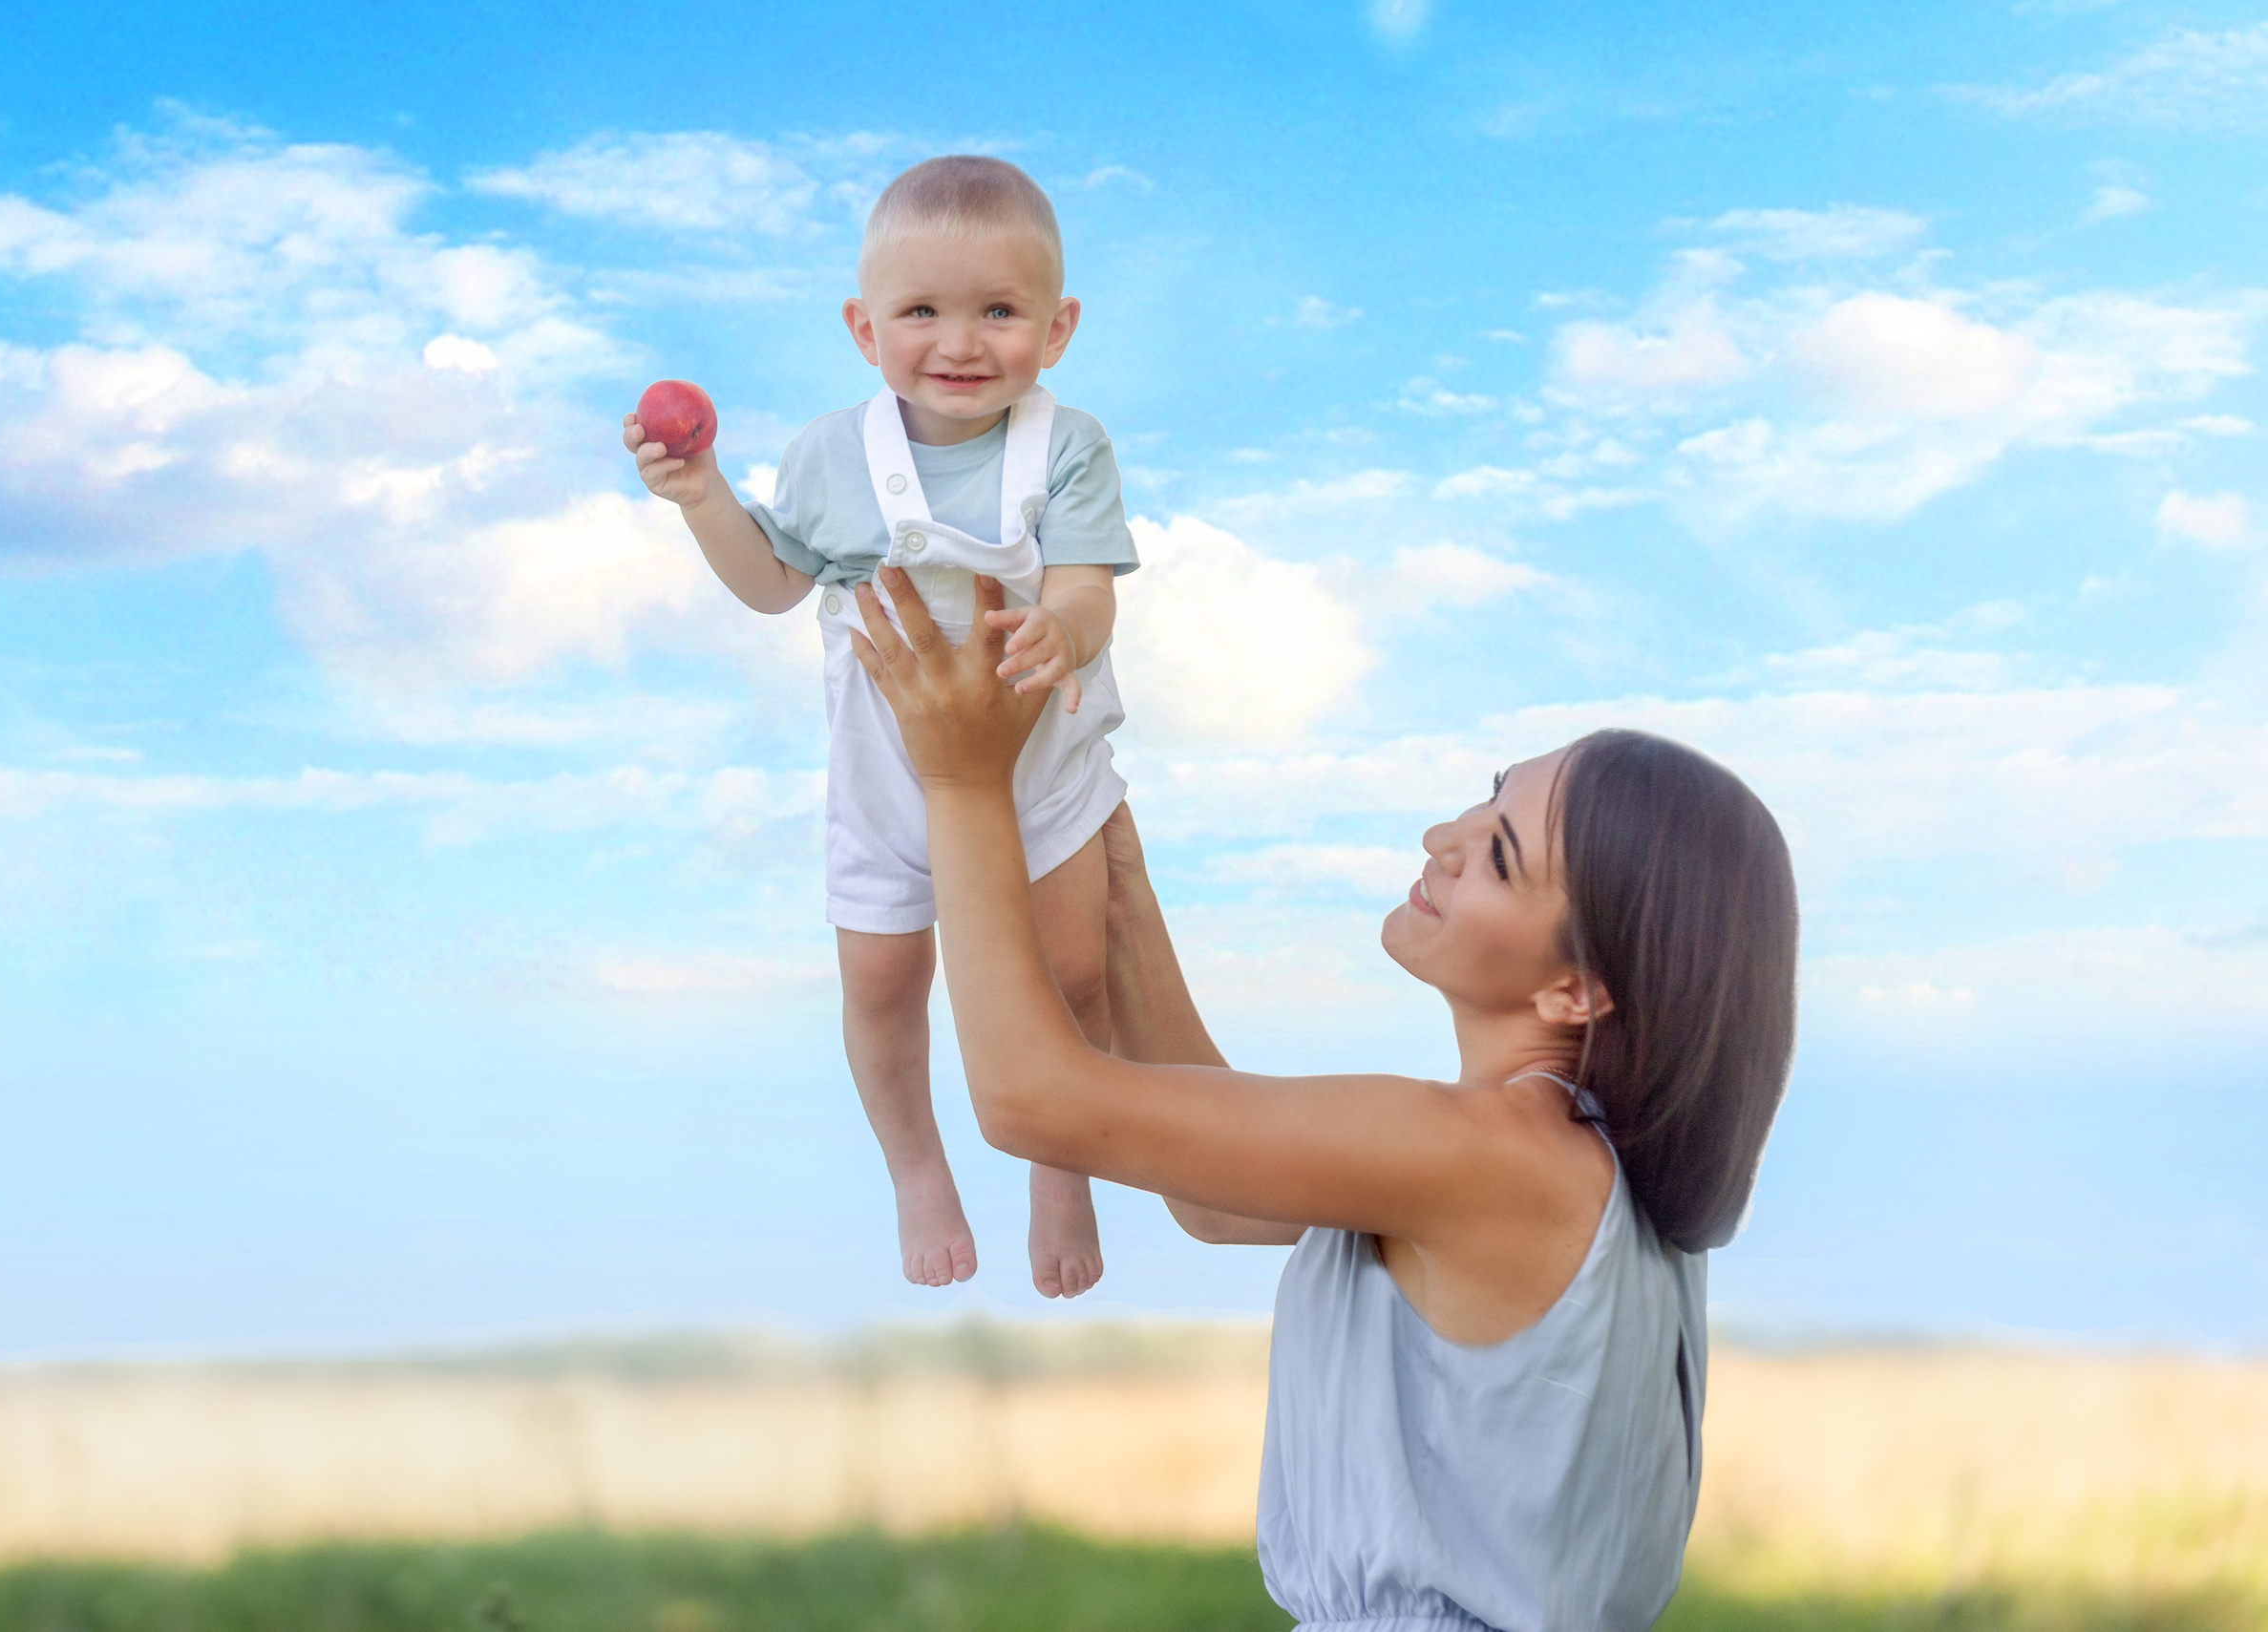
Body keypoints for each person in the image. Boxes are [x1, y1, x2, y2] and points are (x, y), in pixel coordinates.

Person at [848, 568, 1799, 1632]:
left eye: (1498, 855)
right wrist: (1104, 861)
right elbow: (1218, 1201)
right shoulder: (1572, 1174)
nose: (1444, 835)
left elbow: (1030, 1098)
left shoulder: (1493, 1157)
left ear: (1577, 990)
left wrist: (961, 779)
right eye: (1488, 794)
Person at [624, 157, 1137, 1299]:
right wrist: (704, 497)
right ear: (864, 329)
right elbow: (772, 586)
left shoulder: (1066, 445)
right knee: (883, 983)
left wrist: (1063, 625)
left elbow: (1089, 584)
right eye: (920, 313)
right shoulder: (831, 455)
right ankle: (916, 1167)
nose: (959, 343)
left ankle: (1062, 1162)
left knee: (1071, 970)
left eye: (997, 311)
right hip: (886, 772)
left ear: (1057, 328)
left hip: (1037, 760)